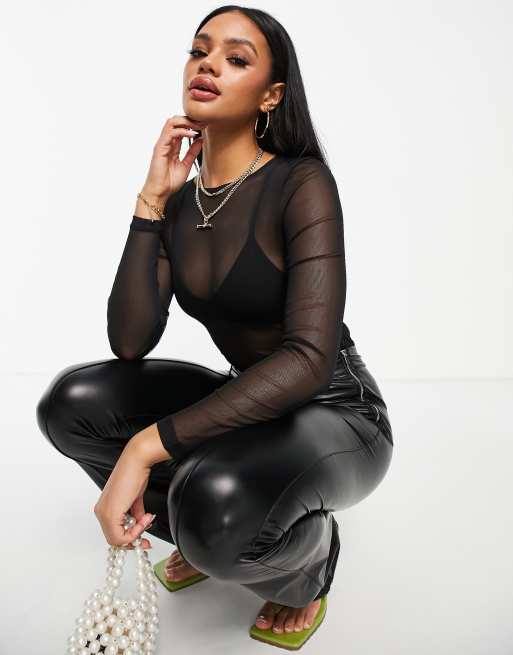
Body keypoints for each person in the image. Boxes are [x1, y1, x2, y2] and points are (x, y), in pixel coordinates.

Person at [36, 5, 394, 648]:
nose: (207, 66)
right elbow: (130, 341)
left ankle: (308, 562)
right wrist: (152, 203)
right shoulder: (181, 199)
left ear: (270, 96)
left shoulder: (300, 183)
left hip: (336, 411)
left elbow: (308, 359)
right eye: (199, 51)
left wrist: (146, 447)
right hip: (249, 400)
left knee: (214, 503)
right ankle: (205, 524)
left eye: (235, 58)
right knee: (72, 405)